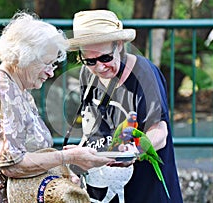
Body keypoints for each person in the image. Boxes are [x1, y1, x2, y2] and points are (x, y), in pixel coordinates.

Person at [0, 11, 113, 202]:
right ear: (23, 57)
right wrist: (69, 157)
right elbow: (12, 165)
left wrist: (61, 171)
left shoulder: (17, 88)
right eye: (47, 64)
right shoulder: (1, 89)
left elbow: (29, 153)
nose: (51, 73)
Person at [68, 10, 183, 202]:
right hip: (102, 189)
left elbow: (160, 131)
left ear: (119, 46)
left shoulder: (144, 73)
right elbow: (92, 129)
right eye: (89, 61)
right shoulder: (86, 74)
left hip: (145, 189)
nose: (99, 67)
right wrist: (78, 158)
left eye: (105, 58)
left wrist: (135, 151)